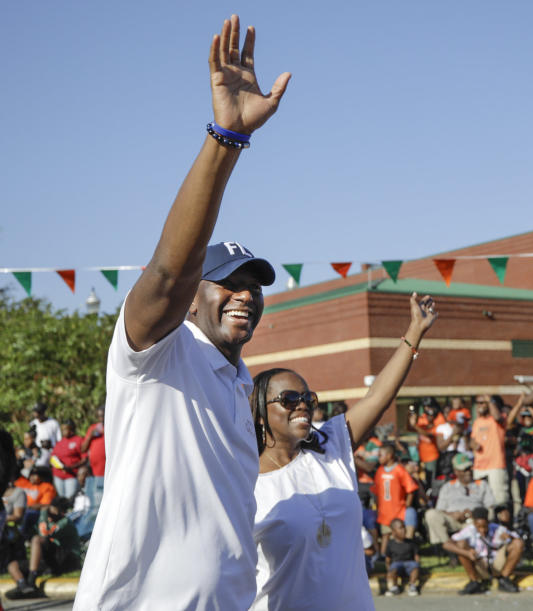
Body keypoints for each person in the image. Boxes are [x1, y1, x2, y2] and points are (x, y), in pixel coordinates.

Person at [74, 13, 293, 609]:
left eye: (255, 285)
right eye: (227, 282)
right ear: (197, 295)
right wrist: (228, 139)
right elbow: (169, 272)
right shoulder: (158, 355)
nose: (245, 293)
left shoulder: (240, 379)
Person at [251, 291, 437, 610]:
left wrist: (414, 333)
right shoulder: (242, 480)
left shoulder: (330, 443)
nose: (303, 406)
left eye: (308, 399)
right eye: (289, 400)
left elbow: (377, 397)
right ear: (259, 414)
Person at [5, 496, 82, 600]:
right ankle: (24, 587)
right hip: (52, 559)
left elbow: (44, 534)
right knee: (13, 565)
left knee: (37, 539)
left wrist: (43, 513)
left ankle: (31, 581)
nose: (54, 512)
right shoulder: (47, 518)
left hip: (68, 558)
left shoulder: (65, 522)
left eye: (57, 510)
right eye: (53, 508)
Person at [444, 506, 523, 594]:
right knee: (460, 544)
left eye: (485, 526)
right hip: (480, 564)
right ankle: (474, 582)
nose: (482, 530)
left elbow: (517, 539)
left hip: (497, 564)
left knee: (517, 543)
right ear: (474, 524)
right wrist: (467, 553)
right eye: (479, 527)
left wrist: (509, 537)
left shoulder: (497, 528)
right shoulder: (469, 530)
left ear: (488, 522)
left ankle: (504, 579)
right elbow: (446, 544)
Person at [425, 453, 497, 547]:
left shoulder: (482, 484)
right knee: (431, 514)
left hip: (474, 520)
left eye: (469, 468)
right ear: (456, 471)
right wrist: (454, 514)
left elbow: (490, 506)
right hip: (453, 520)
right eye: (464, 469)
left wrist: (475, 514)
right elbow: (440, 509)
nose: (468, 472)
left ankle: (474, 548)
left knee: (488, 515)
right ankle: (448, 546)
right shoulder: (448, 487)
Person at [373, 442, 420, 554]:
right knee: (386, 534)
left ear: (389, 455)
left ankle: (406, 555)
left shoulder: (399, 470)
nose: (378, 457)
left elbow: (411, 489)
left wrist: (407, 505)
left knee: (400, 535)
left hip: (398, 510)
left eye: (381, 455)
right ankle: (383, 556)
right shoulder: (380, 471)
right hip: (385, 510)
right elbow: (376, 490)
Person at [470, 394, 509, 505]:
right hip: (479, 466)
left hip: (495, 466)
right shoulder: (477, 422)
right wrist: (473, 444)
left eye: (482, 403)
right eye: (478, 403)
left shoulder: (497, 420)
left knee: (499, 500)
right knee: (480, 499)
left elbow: (497, 417)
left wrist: (490, 400)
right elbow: (472, 439)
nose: (479, 405)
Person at [77, 407, 105, 539]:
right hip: (94, 475)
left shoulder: (114, 425)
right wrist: (91, 436)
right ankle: (85, 536)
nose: (101, 419)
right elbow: (83, 448)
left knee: (101, 509)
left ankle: (96, 537)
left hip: (107, 474)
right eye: (99, 416)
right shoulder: (94, 428)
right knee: (93, 508)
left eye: (103, 416)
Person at [408, 397, 446, 489]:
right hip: (420, 454)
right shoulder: (424, 416)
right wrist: (410, 418)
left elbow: (431, 434)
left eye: (429, 406)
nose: (427, 409)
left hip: (432, 455)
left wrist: (415, 426)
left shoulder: (439, 418)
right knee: (420, 479)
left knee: (430, 481)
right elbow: (411, 428)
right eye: (425, 407)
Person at [384, 518, 421, 596]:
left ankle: (412, 586)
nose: (404, 530)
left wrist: (418, 567)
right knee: (393, 567)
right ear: (393, 532)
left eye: (404, 527)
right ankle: (394, 587)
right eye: (400, 528)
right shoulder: (390, 544)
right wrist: (388, 571)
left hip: (409, 565)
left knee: (414, 565)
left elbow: (416, 557)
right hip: (397, 565)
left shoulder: (411, 543)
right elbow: (388, 560)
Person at [49, 419, 84, 499]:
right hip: (58, 475)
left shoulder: (79, 440)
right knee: (62, 499)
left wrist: (71, 467)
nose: (63, 431)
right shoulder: (60, 442)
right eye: (62, 429)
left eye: (65, 429)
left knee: (70, 498)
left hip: (71, 475)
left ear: (71, 429)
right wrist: (60, 466)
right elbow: (53, 457)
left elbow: (84, 459)